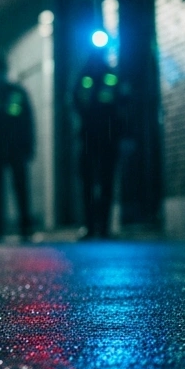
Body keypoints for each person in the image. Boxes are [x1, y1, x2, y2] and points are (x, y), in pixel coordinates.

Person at [0, 57, 35, 242]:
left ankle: (25, 228)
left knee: (20, 188)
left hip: (16, 147)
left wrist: (29, 146)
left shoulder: (17, 92)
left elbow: (28, 120)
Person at [73, 50, 129, 238]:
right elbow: (74, 100)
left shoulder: (112, 76)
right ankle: (89, 226)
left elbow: (124, 104)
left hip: (108, 137)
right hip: (89, 137)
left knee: (107, 181)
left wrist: (124, 134)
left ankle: (104, 227)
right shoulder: (84, 76)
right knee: (88, 182)